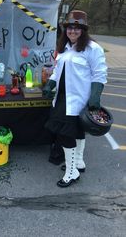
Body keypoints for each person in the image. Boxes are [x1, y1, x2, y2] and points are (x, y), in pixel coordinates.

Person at [43, 10, 107, 188]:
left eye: (77, 28)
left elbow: (99, 75)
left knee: (66, 134)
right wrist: (50, 84)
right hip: (63, 97)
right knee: (76, 131)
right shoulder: (65, 48)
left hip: (78, 99)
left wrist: (95, 97)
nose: (72, 31)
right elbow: (57, 70)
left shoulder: (93, 49)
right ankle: (78, 162)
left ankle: (72, 172)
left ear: (83, 30)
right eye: (70, 27)